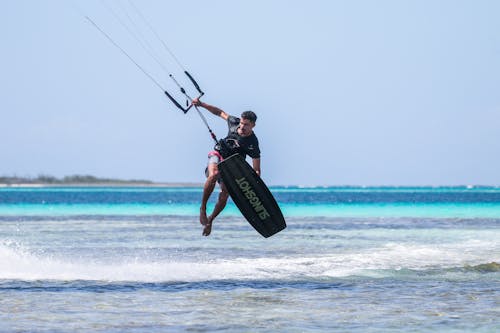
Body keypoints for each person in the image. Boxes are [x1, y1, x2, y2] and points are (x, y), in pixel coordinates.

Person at [192, 98, 261, 236]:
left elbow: (257, 169)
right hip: (218, 154)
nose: (242, 127)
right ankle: (203, 208)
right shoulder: (234, 122)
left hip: (231, 168)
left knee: (225, 195)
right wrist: (202, 104)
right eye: (241, 123)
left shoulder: (253, 143)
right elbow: (219, 112)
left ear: (253, 125)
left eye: (246, 125)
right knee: (213, 175)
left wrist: (254, 184)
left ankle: (210, 221)